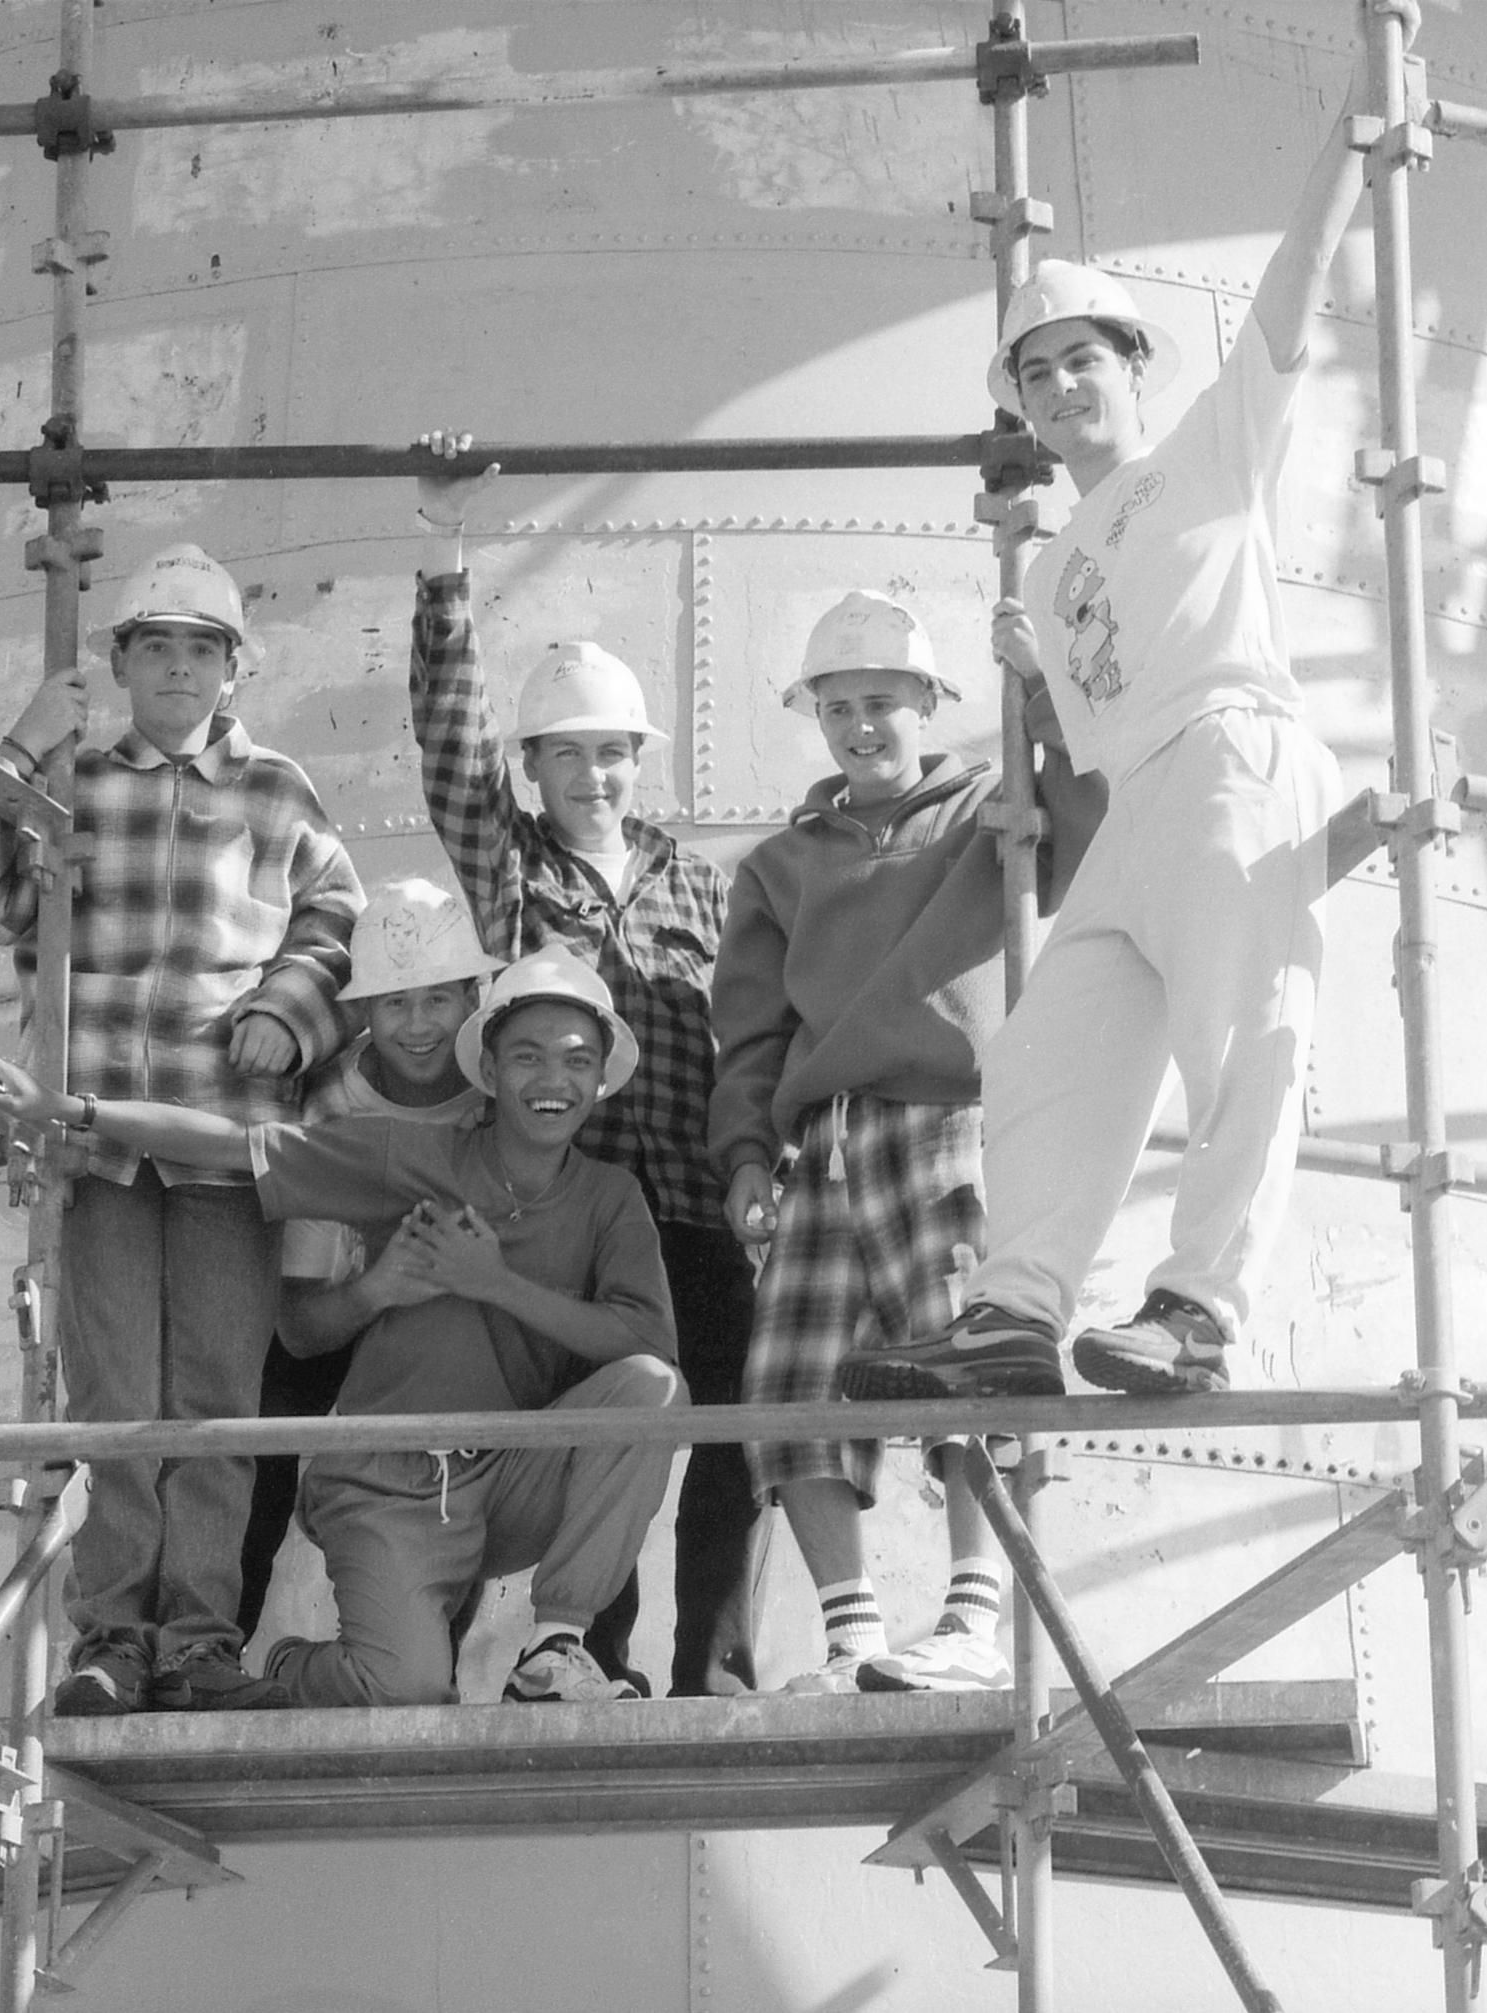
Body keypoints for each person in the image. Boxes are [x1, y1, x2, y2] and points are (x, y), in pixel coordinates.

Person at [847, 67, 1371, 1405]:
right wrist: (1029, 672)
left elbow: (1295, 291)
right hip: (1133, 804)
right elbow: (1085, 739)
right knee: (1045, 1057)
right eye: (1038, 371)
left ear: (1137, 367)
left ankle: (1199, 1305)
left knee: (1247, 1032)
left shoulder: (1205, 455)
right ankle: (1016, 1314)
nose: (1063, 383)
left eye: (1085, 356)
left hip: (1230, 754)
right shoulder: (1046, 570)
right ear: (1023, 407)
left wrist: (1353, 130)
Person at [0, 946, 681, 1708]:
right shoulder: (416, 1157)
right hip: (387, 1481)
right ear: (489, 1065)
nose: (553, 1080)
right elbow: (235, 1147)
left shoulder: (611, 1198)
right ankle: (289, 1663)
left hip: (511, 1473)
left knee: (651, 1389)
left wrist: (493, 1282)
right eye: (528, 1057)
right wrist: (80, 1110)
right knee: (409, 1688)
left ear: (602, 1076)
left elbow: (648, 1349)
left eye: (577, 1061)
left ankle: (554, 1648)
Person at [0, 542, 365, 1716]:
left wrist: (287, 1010)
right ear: (120, 663)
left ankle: (201, 1639)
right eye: (155, 646)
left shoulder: (277, 792)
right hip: (97, 1132)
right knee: (115, 1397)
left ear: (234, 670)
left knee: (216, 1400)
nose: (178, 668)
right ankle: (113, 1637)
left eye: (200, 649)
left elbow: (333, 926)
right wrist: (15, 751)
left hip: (225, 1137)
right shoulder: (63, 788)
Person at [403, 437, 765, 1699]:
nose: (594, 775)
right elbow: (450, 755)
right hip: (571, 1201)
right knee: (610, 1425)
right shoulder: (515, 878)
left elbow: (750, 1033)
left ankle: (715, 1661)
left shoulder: (701, 882)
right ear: (535, 770)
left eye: (612, 752)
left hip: (696, 1203)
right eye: (567, 754)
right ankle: (584, 1655)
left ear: (636, 758)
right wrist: (446, 559)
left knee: (731, 1426)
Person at [712, 592, 1091, 1693]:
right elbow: (751, 1033)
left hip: (952, 1118)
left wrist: (1045, 692)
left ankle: (975, 1621)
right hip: (823, 1142)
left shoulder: (994, 809)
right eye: (838, 709)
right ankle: (854, 1637)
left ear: (930, 703)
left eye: (882, 701)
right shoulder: (780, 867)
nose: (861, 726)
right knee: (790, 1389)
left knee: (977, 1361)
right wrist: (745, 1156)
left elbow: (1092, 810)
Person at [235, 875, 498, 1639]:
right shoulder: (332, 1107)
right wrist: (378, 1288)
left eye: (438, 999)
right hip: (351, 1310)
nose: (417, 1025)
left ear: (474, 998)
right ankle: (215, 1647)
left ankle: (445, 1653)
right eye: (394, 1002)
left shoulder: (499, 1103)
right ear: (362, 1011)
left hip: (454, 1325)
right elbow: (300, 1327)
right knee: (264, 1431)